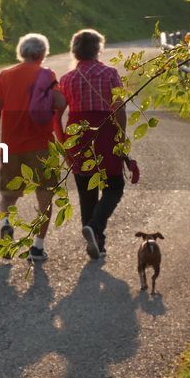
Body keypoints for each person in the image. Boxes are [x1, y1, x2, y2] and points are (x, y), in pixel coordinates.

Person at [0, 33, 65, 261]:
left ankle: (6, 224)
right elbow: (60, 104)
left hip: (11, 146)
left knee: (8, 196)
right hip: (41, 146)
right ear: (42, 53)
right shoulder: (47, 75)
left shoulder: (5, 76)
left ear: (21, 52)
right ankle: (37, 248)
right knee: (44, 197)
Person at [59, 28, 127, 259]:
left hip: (78, 136)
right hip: (105, 133)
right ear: (98, 49)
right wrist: (121, 136)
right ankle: (96, 228)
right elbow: (119, 107)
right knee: (114, 186)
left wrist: (63, 141)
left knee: (86, 190)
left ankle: (95, 237)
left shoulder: (67, 79)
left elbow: (56, 113)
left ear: (75, 51)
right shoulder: (110, 73)